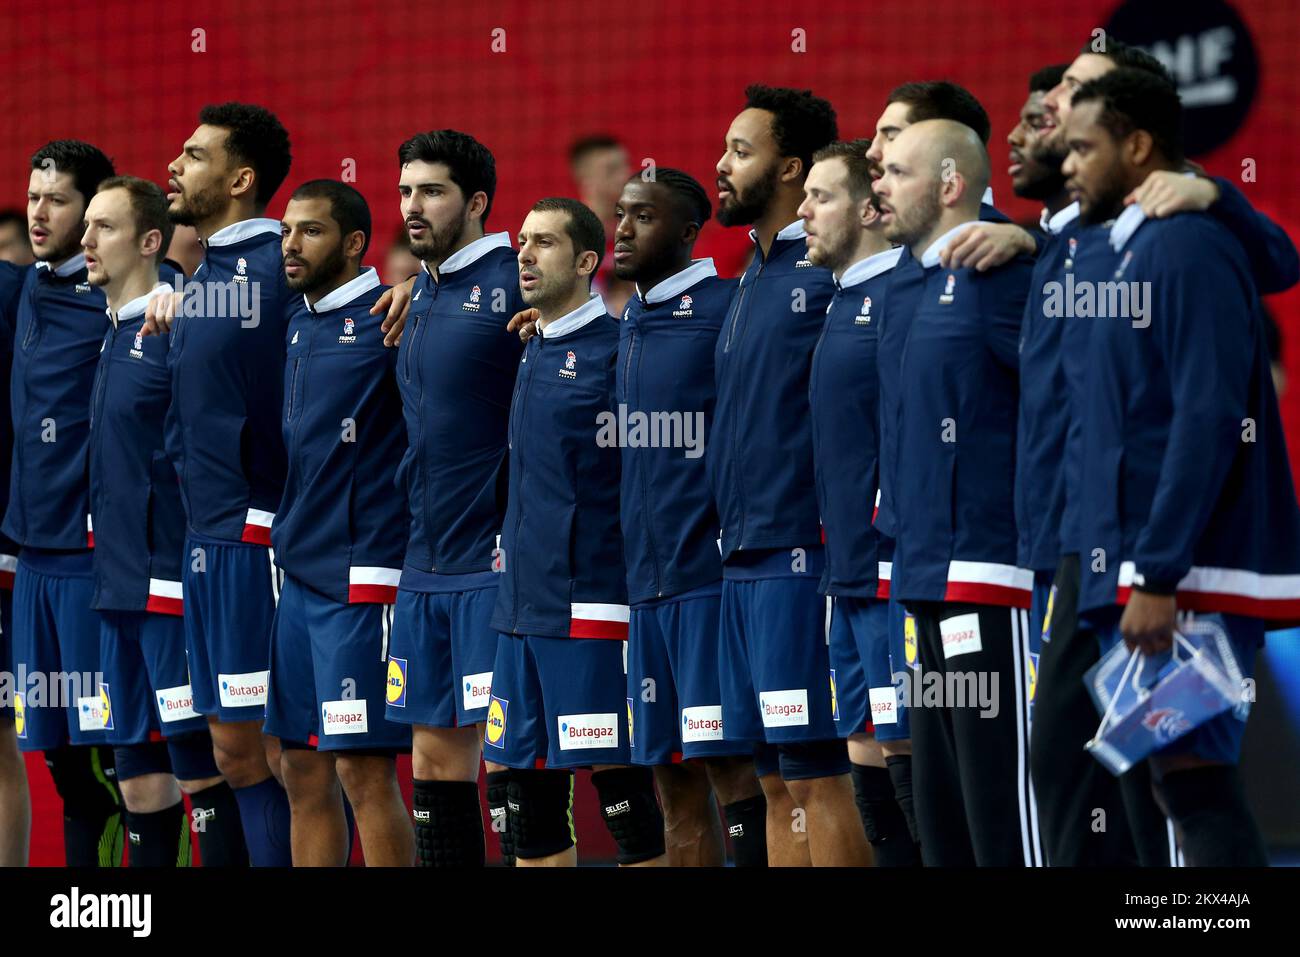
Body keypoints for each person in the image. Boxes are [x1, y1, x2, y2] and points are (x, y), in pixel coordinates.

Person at [1065, 67, 1300, 866]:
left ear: (1136, 145)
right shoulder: (1139, 247)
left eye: (1084, 148)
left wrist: (1157, 574)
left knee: (1196, 785)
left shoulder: (1188, 247)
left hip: (1184, 576)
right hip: (1157, 569)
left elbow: (1205, 419)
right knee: (1177, 782)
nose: (1069, 164)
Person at [711, 85, 870, 867]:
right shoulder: (748, 277)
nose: (721, 164)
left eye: (742, 151)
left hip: (800, 560)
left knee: (819, 776)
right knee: (773, 781)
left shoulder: (830, 279)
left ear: (790, 169)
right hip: (739, 558)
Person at [874, 118, 1038, 866]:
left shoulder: (1000, 274)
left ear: (949, 185)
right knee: (943, 818)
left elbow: (1068, 400)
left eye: (897, 170)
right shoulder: (912, 286)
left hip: (990, 581)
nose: (879, 180)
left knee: (1001, 809)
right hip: (923, 585)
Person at [488, 197, 665, 868]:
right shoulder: (531, 342)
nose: (526, 255)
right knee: (522, 804)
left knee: (625, 796)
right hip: (518, 611)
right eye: (522, 242)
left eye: (546, 243)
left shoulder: (622, 349)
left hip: (591, 608)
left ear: (588, 261)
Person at [147, 102, 296, 865]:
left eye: (193, 154)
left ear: (241, 179)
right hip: (201, 545)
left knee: (285, 759)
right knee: (233, 757)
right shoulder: (210, 274)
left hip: (256, 542)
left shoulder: (281, 271)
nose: (174, 164)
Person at [381, 130, 524, 867]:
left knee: (509, 770)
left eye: (431, 191)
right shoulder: (422, 290)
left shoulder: (520, 279)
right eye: (405, 189)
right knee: (434, 770)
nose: (412, 205)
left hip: (496, 567)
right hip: (423, 565)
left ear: (474, 202)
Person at [83, 175, 234, 866]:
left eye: (103, 227)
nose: (86, 241)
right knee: (139, 783)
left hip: (170, 592)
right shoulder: (112, 334)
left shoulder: (180, 326)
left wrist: (191, 302)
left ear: (149, 242)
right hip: (114, 594)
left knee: (204, 775)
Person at [267, 179, 415, 866]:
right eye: (287, 230)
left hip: (360, 578)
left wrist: (425, 291)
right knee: (298, 767)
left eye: (311, 231)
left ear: (355, 245)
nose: (291, 244)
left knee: (363, 771)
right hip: (297, 577)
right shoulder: (299, 322)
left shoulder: (394, 316)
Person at [7, 140, 124, 866]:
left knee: (120, 760)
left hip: (92, 561)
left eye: (56, 198)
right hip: (29, 559)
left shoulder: (128, 295)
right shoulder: (18, 289)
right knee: (60, 764)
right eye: (33, 196)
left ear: (90, 211)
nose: (39, 211)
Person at [800, 140, 917, 865]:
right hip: (843, 576)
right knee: (865, 750)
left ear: (872, 208)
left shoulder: (901, 297)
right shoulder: (838, 302)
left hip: (893, 573)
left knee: (907, 745)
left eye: (822, 197)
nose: (804, 211)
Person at [569, 134, 634, 314]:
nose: (624, 176)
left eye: (625, 165)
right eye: (611, 170)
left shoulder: (639, 236)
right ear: (585, 177)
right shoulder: (568, 240)